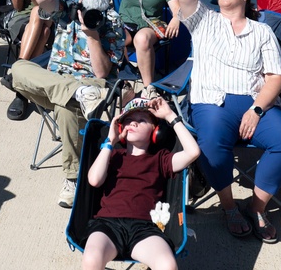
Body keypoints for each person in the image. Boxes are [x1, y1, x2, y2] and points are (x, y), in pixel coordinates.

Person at [176, 0, 281, 243]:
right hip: (211, 102)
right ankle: (229, 206)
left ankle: (257, 208)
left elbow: (275, 78)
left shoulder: (262, 30)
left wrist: (256, 110)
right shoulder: (203, 20)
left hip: (253, 101)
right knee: (213, 147)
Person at [6, 0, 124, 208]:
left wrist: (92, 36)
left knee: (66, 108)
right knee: (18, 68)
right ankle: (78, 93)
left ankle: (72, 178)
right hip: (60, 83)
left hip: (92, 83)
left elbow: (103, 72)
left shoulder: (113, 20)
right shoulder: (66, 8)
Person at [82, 97, 200, 270]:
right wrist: (110, 142)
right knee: (92, 258)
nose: (133, 123)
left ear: (155, 131)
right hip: (108, 224)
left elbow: (193, 152)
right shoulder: (113, 156)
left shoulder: (160, 159)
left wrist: (170, 116)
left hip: (144, 228)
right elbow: (94, 180)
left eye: (141, 120)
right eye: (128, 120)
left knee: (167, 265)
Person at [4, 0, 68, 120]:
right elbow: (17, 5)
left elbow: (45, 5)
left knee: (39, 12)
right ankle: (23, 89)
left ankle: (18, 71)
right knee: (44, 32)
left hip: (50, 15)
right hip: (24, 17)